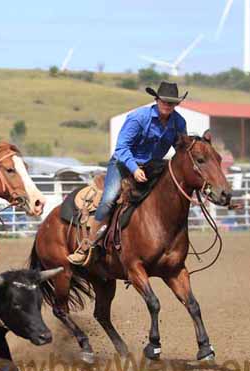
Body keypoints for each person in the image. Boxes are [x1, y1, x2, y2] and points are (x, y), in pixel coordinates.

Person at [68, 81, 188, 265]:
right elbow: (122, 148)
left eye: (171, 103)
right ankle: (88, 244)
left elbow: (181, 149)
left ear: (176, 104)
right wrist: (135, 169)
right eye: (164, 101)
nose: (167, 105)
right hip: (123, 164)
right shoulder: (139, 118)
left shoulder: (178, 123)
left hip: (153, 167)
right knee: (109, 199)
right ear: (156, 100)